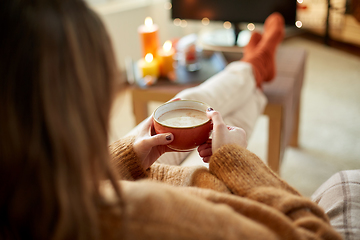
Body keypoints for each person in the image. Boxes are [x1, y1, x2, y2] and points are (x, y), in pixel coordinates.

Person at [0, 0, 342, 239]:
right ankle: (254, 68)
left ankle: (253, 69)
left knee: (184, 114)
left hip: (105, 177)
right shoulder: (145, 217)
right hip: (195, 188)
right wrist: (236, 161)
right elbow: (316, 235)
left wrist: (125, 160)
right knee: (203, 123)